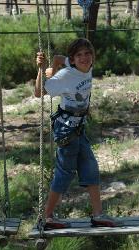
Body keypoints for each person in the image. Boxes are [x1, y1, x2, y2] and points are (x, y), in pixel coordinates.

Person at [35, 38, 119, 229]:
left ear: (92, 57)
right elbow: (39, 92)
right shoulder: (65, 76)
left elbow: (58, 57)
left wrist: (53, 65)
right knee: (65, 172)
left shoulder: (86, 67)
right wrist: (42, 70)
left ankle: (98, 214)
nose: (84, 57)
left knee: (90, 167)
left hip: (79, 127)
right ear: (73, 60)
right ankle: (47, 216)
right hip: (66, 128)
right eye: (79, 55)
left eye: (87, 54)